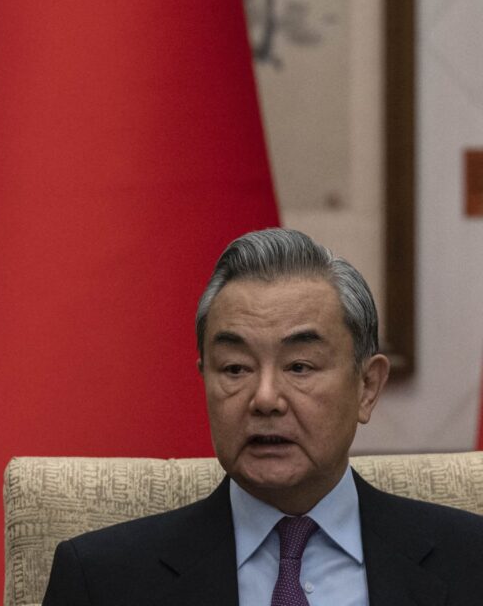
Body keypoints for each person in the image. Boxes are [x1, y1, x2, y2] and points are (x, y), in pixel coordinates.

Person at [41, 227, 483, 606]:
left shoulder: (469, 560)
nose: (265, 398)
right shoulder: (102, 580)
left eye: (299, 367)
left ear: (367, 387)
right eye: (236, 369)